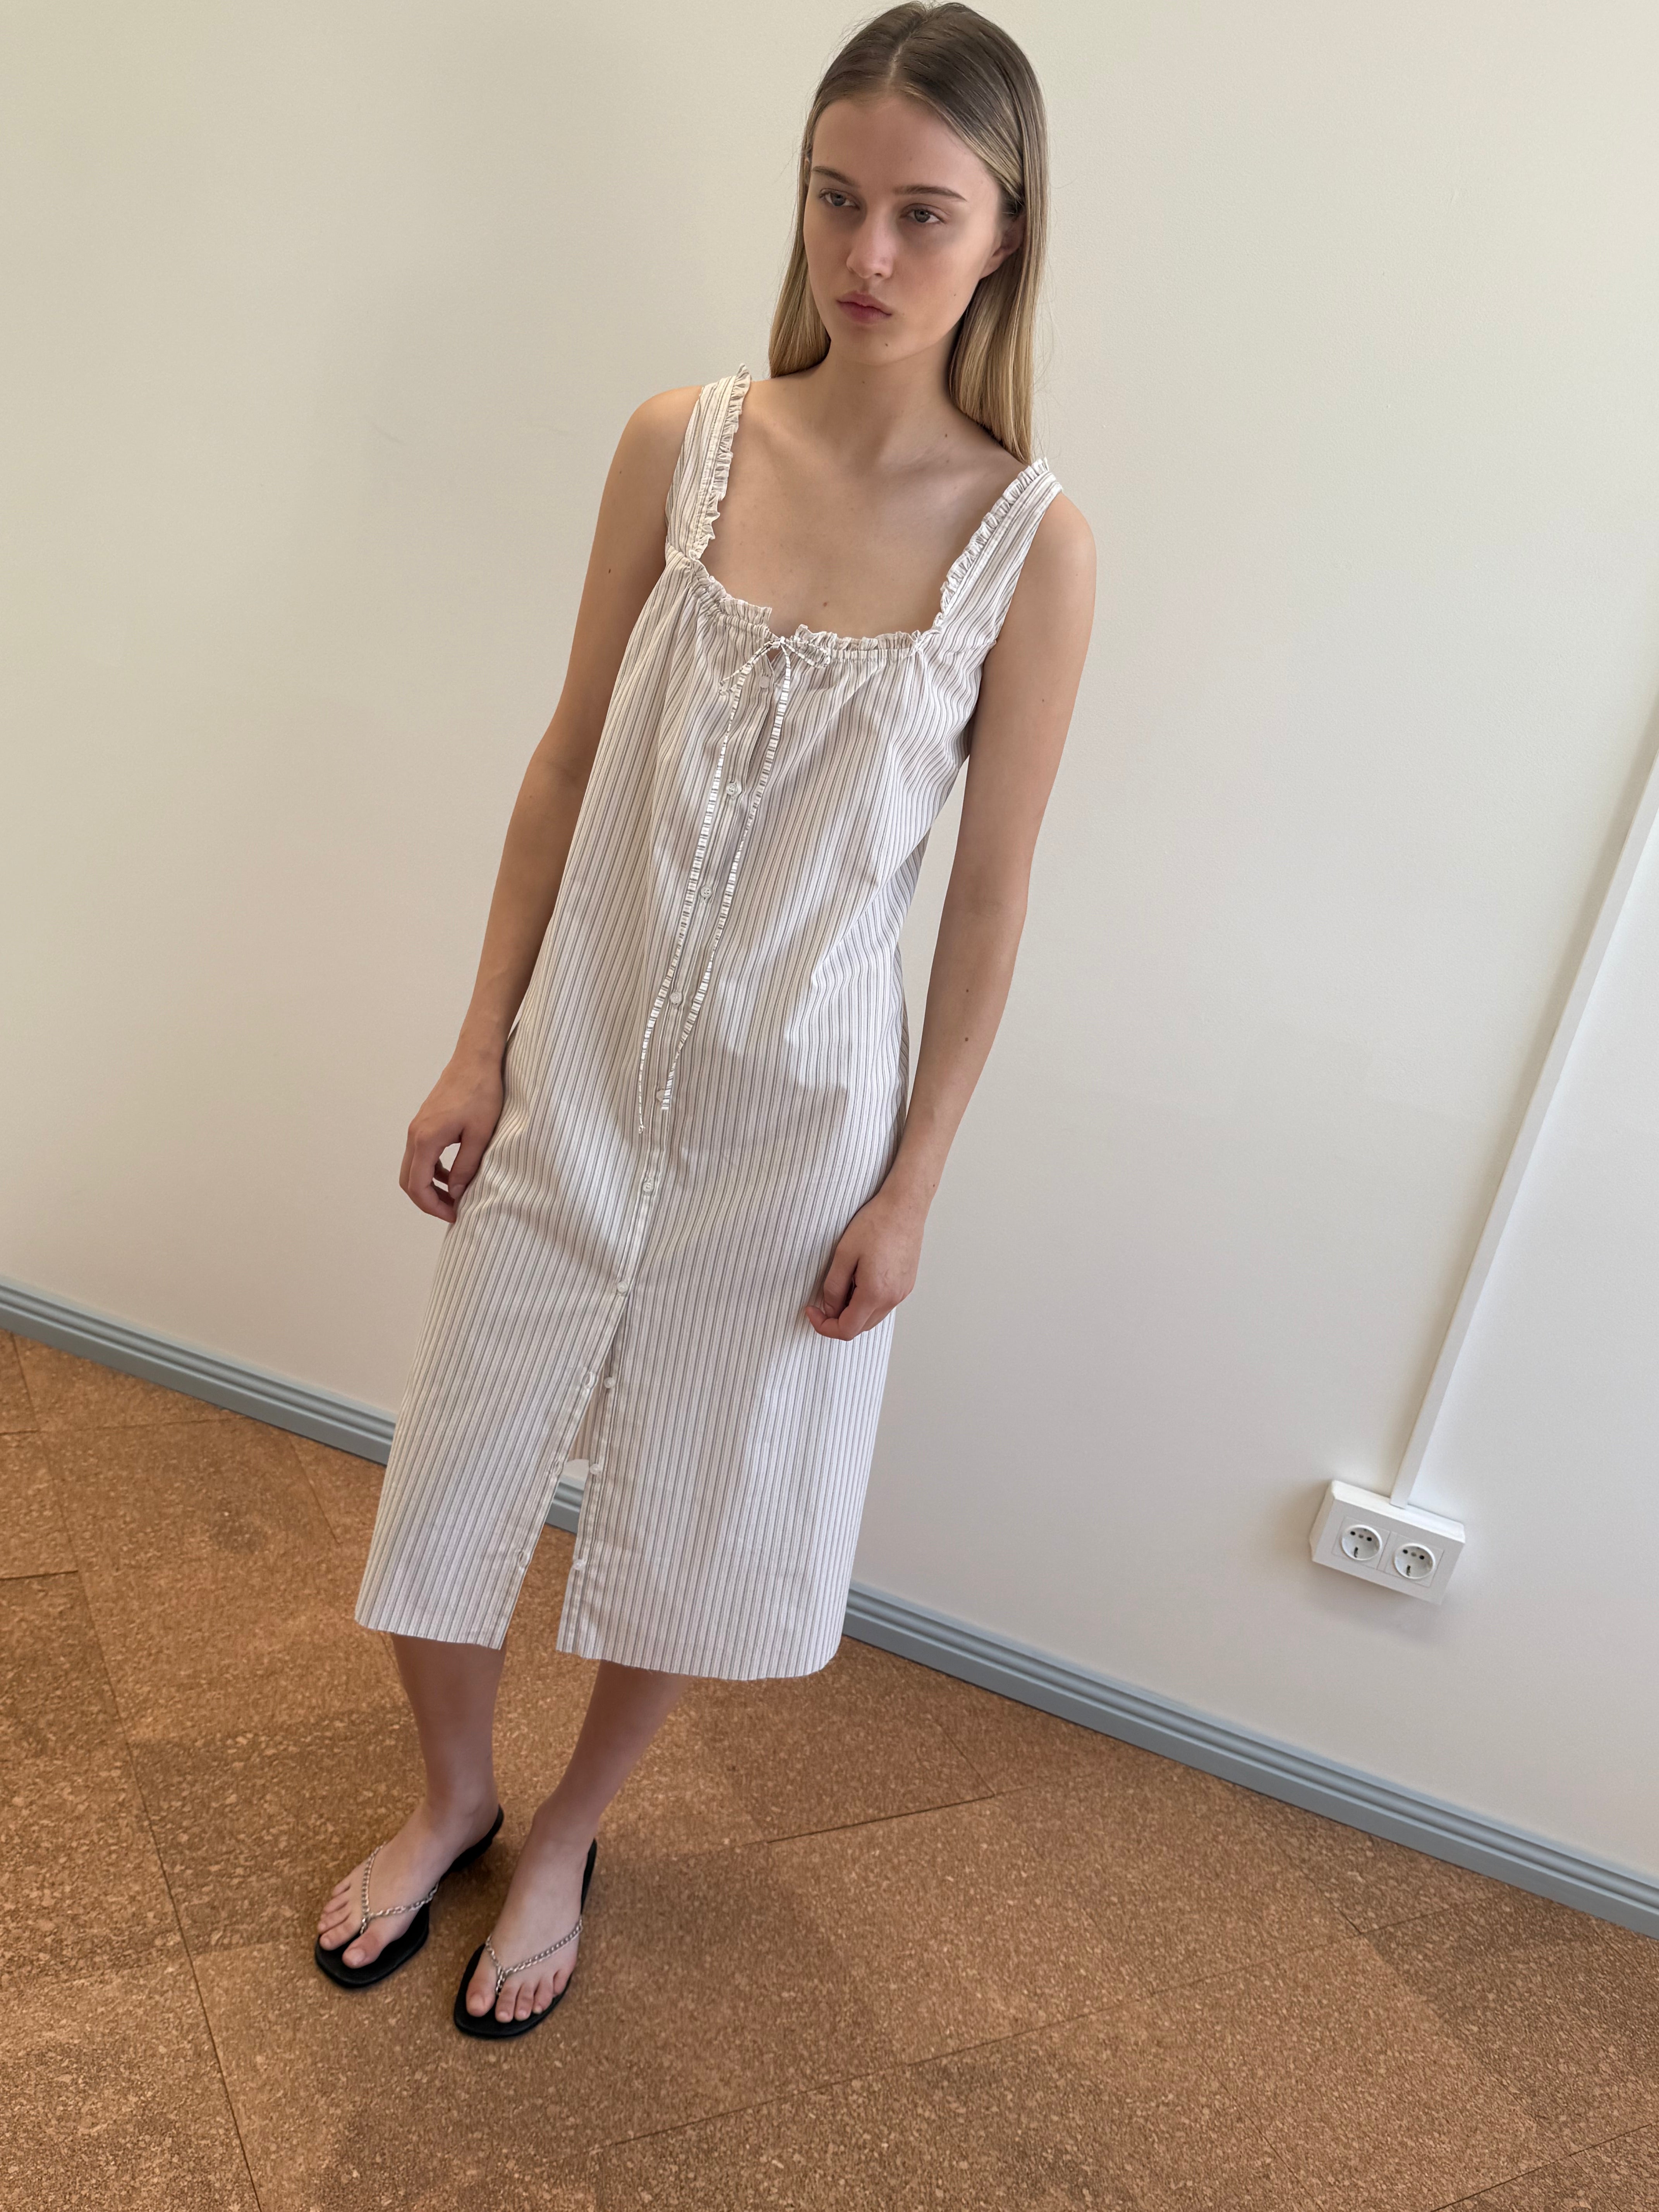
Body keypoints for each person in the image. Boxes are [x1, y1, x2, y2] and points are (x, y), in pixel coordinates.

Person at [315, 0, 1094, 2038]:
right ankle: (454, 1796)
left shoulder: (1032, 549)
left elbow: (990, 901)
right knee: (456, 1470)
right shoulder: (685, 443)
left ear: (1008, 231)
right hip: (577, 1067)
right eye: (837, 199)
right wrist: (478, 1039)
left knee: (691, 1513)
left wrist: (914, 1185)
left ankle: (566, 1836)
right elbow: (568, 760)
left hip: (799, 1124)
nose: (867, 255)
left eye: (923, 214)